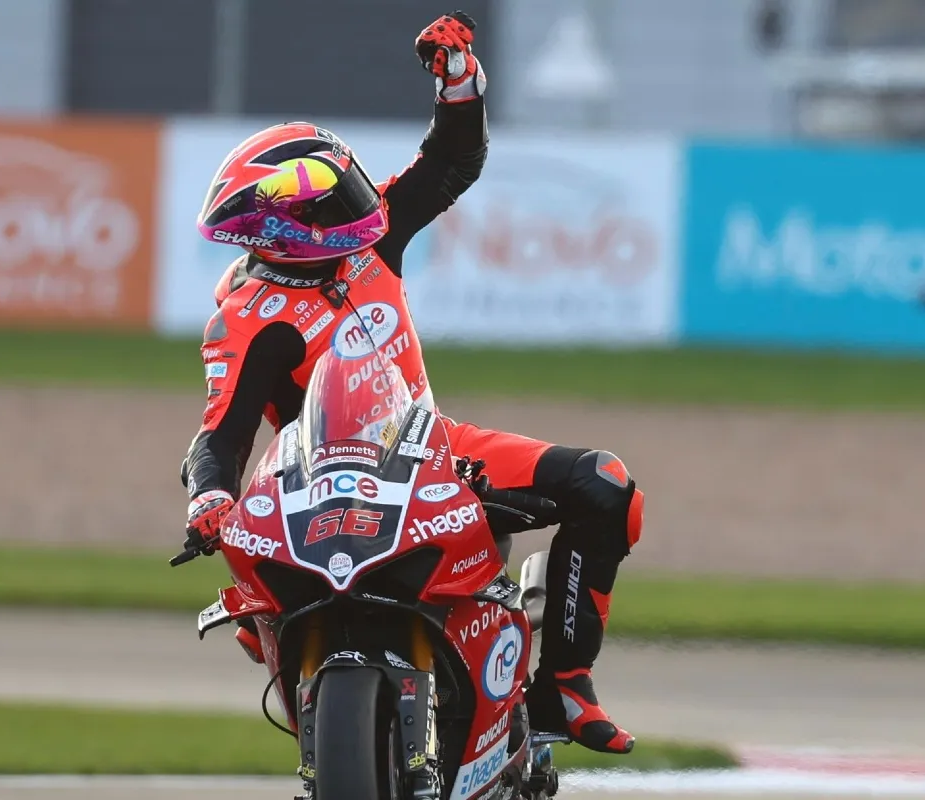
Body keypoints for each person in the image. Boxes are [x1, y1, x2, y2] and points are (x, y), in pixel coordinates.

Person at [179, 11, 643, 755]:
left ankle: (563, 684)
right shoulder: (250, 320)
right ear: (282, 230)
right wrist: (210, 496)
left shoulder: (371, 239)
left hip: (433, 450)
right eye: (334, 203)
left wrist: (459, 82)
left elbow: (451, 161)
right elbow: (222, 432)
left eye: (353, 189)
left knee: (607, 486)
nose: (361, 207)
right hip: (318, 487)